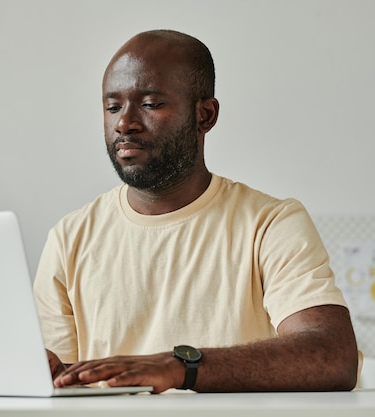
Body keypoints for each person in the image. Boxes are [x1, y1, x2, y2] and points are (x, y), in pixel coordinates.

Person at [33, 29, 358, 393]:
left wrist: (179, 366)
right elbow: (57, 386)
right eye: (112, 107)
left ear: (205, 115)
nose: (124, 123)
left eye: (151, 104)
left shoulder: (270, 224)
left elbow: (332, 355)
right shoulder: (69, 237)